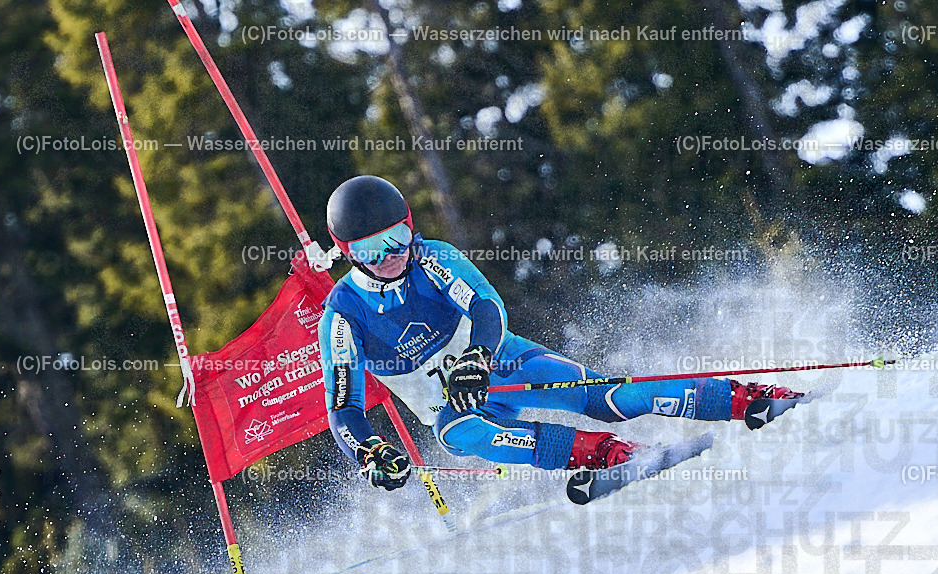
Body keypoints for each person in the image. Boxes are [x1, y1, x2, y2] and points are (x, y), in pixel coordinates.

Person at [318, 176, 802, 490]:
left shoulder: (432, 258)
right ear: (348, 253)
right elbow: (343, 406)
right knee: (464, 433)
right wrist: (369, 449)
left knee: (605, 399)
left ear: (409, 226)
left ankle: (741, 398)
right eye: (371, 250)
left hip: (503, 364)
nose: (391, 255)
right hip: (454, 406)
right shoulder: (341, 314)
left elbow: (485, 304)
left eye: (397, 238)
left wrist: (477, 357)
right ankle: (603, 455)